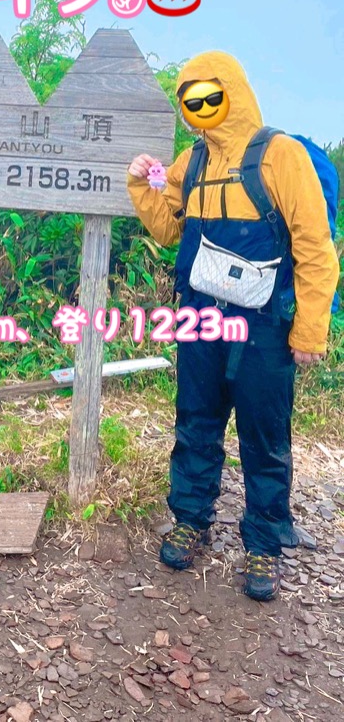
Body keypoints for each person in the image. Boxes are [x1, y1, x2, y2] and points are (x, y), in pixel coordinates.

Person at [126, 50, 339, 601]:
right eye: (189, 101)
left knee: (264, 437)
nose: (199, 109)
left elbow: (316, 247)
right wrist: (140, 187)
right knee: (195, 421)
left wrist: (310, 329)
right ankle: (191, 520)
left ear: (233, 92)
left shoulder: (280, 157)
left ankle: (264, 544)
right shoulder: (189, 162)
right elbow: (167, 229)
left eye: (208, 96)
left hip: (265, 325)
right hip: (200, 316)